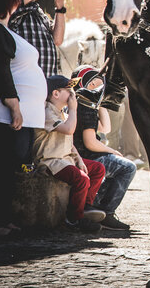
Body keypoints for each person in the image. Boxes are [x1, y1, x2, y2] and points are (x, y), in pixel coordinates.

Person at [0, 0, 47, 236]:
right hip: (4, 115)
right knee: (2, 167)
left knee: (9, 167)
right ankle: (0, 221)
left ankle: (4, 218)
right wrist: (14, 106)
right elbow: (1, 72)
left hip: (16, 117)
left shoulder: (5, 29)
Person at [35, 75, 106, 232]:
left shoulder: (62, 113)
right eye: (69, 91)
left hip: (66, 158)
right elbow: (68, 129)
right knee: (81, 179)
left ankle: (86, 206)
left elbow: (70, 142)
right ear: (56, 94)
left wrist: (79, 159)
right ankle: (74, 219)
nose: (73, 94)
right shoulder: (47, 112)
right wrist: (73, 109)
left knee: (97, 169)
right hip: (51, 160)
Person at [71, 65, 136, 230]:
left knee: (121, 166)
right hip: (88, 155)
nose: (100, 89)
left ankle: (98, 206)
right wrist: (112, 151)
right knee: (128, 168)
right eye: (95, 85)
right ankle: (106, 212)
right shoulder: (83, 107)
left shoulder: (85, 104)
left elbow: (105, 128)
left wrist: (100, 104)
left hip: (87, 153)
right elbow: (90, 142)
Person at [8, 0, 66, 77]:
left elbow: (57, 39)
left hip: (45, 86)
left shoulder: (36, 9)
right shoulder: (11, 4)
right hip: (21, 86)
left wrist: (60, 8)